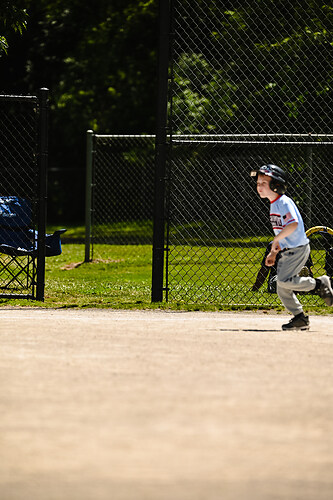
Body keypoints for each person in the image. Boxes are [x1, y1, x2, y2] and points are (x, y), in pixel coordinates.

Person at [251, 164, 333, 331]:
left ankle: (319, 284)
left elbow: (293, 224)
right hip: (289, 250)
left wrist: (276, 240)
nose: (259, 187)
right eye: (258, 183)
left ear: (276, 185)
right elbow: (282, 232)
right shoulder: (274, 204)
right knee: (282, 288)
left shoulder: (283, 202)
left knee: (283, 281)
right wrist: (274, 252)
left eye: (263, 183)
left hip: (298, 249)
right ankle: (299, 317)